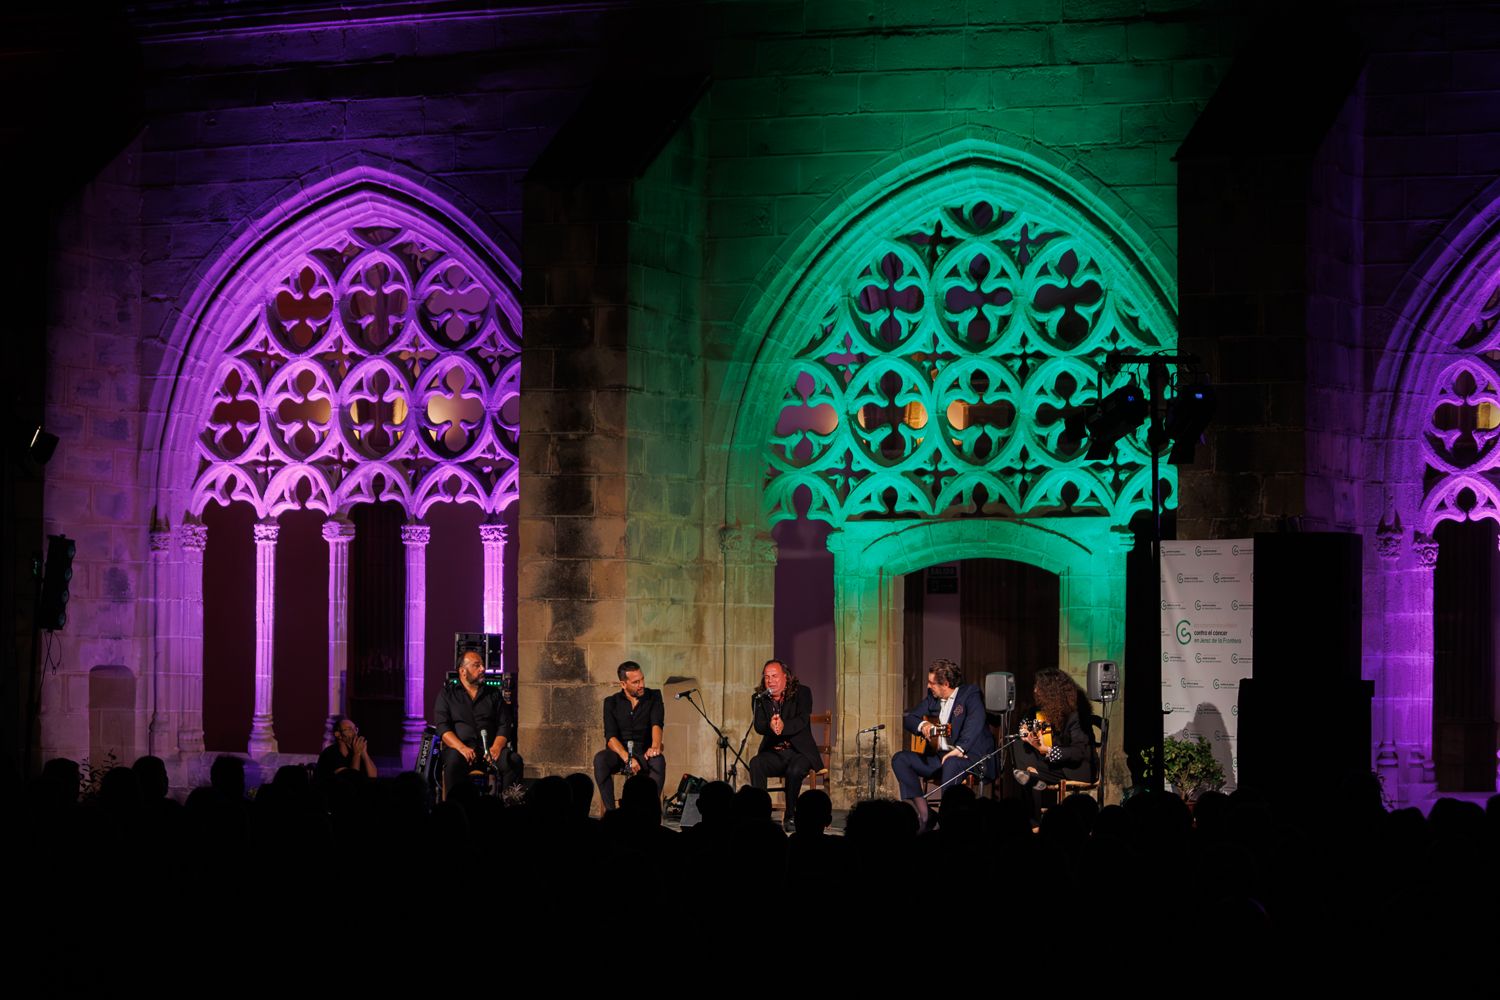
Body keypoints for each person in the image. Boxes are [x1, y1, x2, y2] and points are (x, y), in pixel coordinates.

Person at [891, 658, 996, 829]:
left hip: (971, 757)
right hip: (941, 758)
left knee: (952, 762)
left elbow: (976, 721)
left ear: (945, 684)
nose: (928, 686)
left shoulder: (970, 693)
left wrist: (961, 748)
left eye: (932, 683)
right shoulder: (933, 699)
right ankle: (925, 814)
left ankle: (947, 821)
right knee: (900, 759)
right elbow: (909, 718)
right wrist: (922, 724)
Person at [747, 659, 823, 832]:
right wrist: (770, 726)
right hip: (774, 752)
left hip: (799, 751)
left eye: (774, 676)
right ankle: (759, 816)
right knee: (756, 763)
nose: (770, 681)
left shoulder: (802, 692)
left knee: (795, 770)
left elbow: (802, 720)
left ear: (786, 677)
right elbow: (759, 726)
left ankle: (790, 815)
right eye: (766, 677)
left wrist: (783, 726)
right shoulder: (759, 698)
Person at [433, 649, 512, 799]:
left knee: (513, 761)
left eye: (482, 665)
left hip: (489, 751)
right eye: (477, 665)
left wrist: (496, 747)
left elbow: (504, 725)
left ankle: (510, 805)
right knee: (452, 763)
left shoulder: (493, 694)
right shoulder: (447, 694)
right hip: (461, 750)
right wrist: (461, 747)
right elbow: (443, 728)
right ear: (463, 671)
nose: (483, 669)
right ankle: (455, 809)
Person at [592, 660, 665, 813]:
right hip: (620, 753)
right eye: (636, 682)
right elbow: (610, 737)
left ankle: (649, 811)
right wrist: (627, 757)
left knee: (658, 761)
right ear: (623, 684)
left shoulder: (654, 696)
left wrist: (655, 747)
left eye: (642, 679)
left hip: (644, 751)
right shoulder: (611, 702)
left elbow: (657, 724)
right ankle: (611, 812)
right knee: (600, 759)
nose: (641, 685)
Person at [1013, 667, 1097, 797]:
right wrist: (1024, 730)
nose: (1035, 690)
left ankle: (1032, 778)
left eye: (1039, 687)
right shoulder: (1043, 710)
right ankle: (1032, 775)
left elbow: (1078, 752)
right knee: (1018, 744)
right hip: (1052, 766)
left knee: (1029, 778)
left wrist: (1048, 750)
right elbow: (1025, 721)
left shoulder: (1076, 715)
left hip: (1073, 769)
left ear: (1052, 691)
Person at [315, 717, 378, 782]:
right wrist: (357, 754)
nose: (354, 733)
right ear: (338, 734)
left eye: (355, 729)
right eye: (349, 729)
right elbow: (351, 781)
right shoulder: (330, 754)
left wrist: (364, 753)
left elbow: (373, 777)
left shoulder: (356, 751)